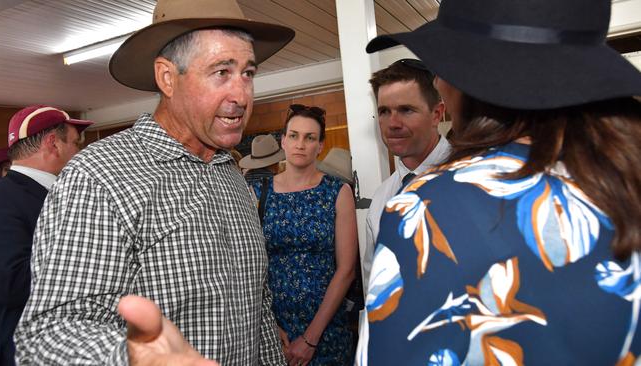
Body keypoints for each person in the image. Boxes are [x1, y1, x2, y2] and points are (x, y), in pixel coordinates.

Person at [356, 0, 641, 364]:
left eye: (442, 67)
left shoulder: (427, 208)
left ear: (459, 83)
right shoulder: (627, 177)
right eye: (383, 111)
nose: (440, 81)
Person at [14, 0, 295, 365]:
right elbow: (47, 335)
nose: (241, 95)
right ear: (167, 77)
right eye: (221, 72)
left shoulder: (232, 175)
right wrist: (134, 357)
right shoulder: (101, 176)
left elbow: (258, 308)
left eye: (248, 74)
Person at [252, 104, 358, 366]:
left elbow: (346, 270)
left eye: (310, 137)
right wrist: (269, 326)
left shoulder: (337, 191)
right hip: (273, 329)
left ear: (320, 145)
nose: (301, 144)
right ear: (283, 142)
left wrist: (311, 338)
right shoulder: (257, 192)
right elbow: (249, 266)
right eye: (294, 135)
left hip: (325, 329)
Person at [0, 105, 92, 366]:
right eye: (76, 144)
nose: (79, 153)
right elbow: (10, 284)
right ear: (53, 144)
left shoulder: (63, 196)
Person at [362, 59, 449, 294]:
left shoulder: (472, 178)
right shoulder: (381, 199)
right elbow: (375, 283)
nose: (393, 124)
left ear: (436, 114)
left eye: (406, 110)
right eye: (384, 112)